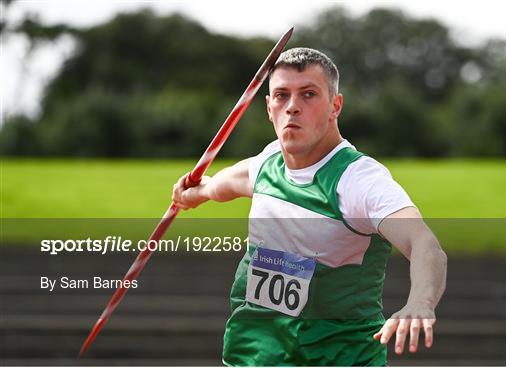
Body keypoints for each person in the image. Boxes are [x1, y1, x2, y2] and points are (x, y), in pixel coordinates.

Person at [172, 47, 447, 366]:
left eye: (308, 95)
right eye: (281, 95)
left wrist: (421, 303)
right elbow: (224, 184)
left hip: (338, 360)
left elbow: (425, 244)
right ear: (269, 108)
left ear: (335, 105)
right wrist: (197, 192)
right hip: (254, 357)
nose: (292, 108)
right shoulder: (267, 164)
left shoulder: (359, 180)